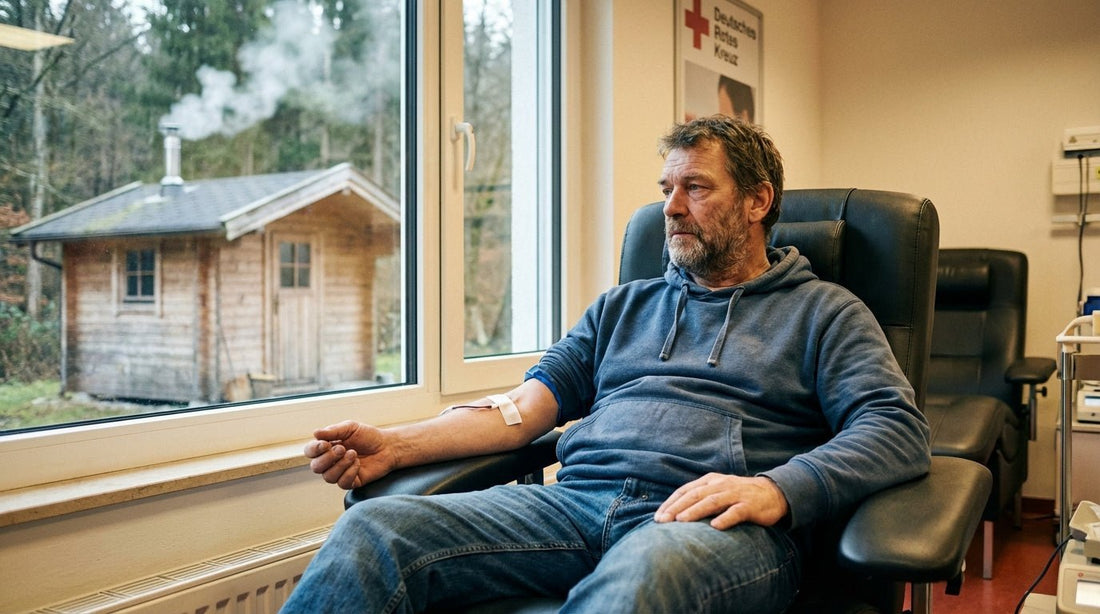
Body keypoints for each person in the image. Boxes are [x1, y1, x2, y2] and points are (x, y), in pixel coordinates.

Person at [280, 115, 931, 614]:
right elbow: (521, 412)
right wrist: (393, 447)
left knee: (641, 576)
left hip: (706, 528)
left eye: (696, 188)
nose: (670, 208)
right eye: (667, 188)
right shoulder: (623, 306)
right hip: (576, 507)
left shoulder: (824, 312)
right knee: (375, 530)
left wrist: (778, 488)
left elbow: (896, 432)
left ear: (758, 202)